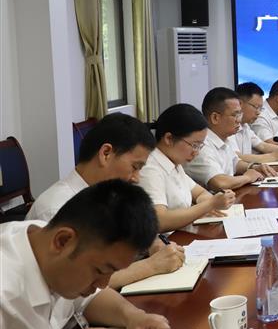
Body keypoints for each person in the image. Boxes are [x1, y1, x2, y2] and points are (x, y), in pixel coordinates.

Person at [0, 180, 171, 329]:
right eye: (100, 270)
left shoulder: (47, 240)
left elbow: (92, 298)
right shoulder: (5, 286)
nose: (103, 283)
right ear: (62, 241)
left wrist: (132, 316)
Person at [26, 113, 185, 289]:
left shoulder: (111, 197)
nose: (136, 178)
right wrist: (151, 266)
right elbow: (79, 281)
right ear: (106, 153)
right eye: (135, 167)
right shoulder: (55, 208)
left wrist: (151, 245)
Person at [138, 104, 235, 233]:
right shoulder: (150, 168)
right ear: (169, 139)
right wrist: (209, 205)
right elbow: (159, 220)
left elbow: (200, 193)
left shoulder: (174, 163)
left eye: (200, 146)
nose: (196, 152)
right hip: (166, 242)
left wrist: (212, 204)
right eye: (194, 145)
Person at [184, 87, 276, 190]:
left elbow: (235, 163)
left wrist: (253, 167)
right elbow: (220, 182)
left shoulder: (224, 138)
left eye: (240, 114)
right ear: (215, 118)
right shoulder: (201, 146)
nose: (239, 120)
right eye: (235, 115)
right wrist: (248, 177)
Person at [233, 82, 278, 161]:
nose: (258, 112)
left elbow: (262, 145)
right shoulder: (229, 128)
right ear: (240, 104)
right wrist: (272, 156)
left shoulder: (245, 126)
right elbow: (236, 158)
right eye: (256, 107)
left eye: (260, 108)